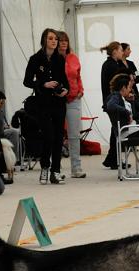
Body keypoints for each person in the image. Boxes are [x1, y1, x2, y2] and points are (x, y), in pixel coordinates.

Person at [23, 28, 69, 184]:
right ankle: (44, 167)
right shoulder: (35, 59)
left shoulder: (60, 59)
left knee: (58, 137)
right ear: (44, 40)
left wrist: (65, 90)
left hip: (58, 103)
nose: (54, 41)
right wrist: (43, 84)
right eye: (50, 38)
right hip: (43, 103)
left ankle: (56, 171)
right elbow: (27, 81)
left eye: (55, 39)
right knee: (48, 136)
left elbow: (64, 79)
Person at [57, 31, 86, 179]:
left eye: (65, 40)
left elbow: (78, 76)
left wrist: (81, 90)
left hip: (74, 98)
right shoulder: (53, 59)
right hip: (57, 100)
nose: (63, 43)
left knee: (74, 134)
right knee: (56, 134)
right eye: (61, 40)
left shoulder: (73, 58)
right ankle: (56, 168)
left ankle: (76, 167)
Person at [100, 41, 130, 169]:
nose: (122, 52)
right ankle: (113, 159)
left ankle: (112, 159)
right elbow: (118, 82)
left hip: (110, 100)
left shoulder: (111, 64)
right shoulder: (111, 65)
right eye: (120, 50)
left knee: (115, 130)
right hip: (112, 101)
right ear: (114, 52)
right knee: (116, 130)